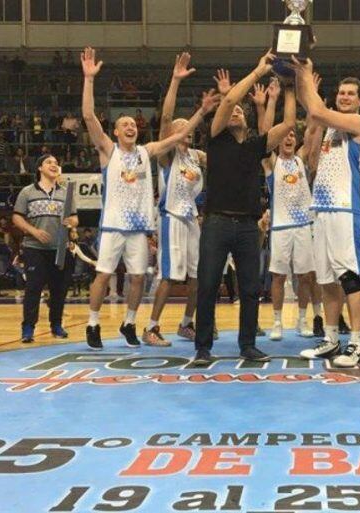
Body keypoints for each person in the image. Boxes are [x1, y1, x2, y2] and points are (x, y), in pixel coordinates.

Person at [80, 46, 217, 351]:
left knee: (138, 278)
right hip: (114, 225)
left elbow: (177, 135)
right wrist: (89, 79)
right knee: (103, 275)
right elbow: (88, 116)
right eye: (124, 124)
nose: (129, 126)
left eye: (132, 124)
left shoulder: (147, 151)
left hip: (140, 228)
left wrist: (201, 112)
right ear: (114, 131)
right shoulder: (108, 150)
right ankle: (92, 323)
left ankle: (129, 323)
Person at [192, 51, 296, 365]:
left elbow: (289, 122)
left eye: (241, 109)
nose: (235, 111)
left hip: (249, 226)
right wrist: (259, 70)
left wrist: (290, 87)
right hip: (217, 222)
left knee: (251, 287)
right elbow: (225, 103)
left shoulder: (256, 145)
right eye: (233, 109)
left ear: (248, 119)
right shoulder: (215, 138)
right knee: (208, 285)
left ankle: (248, 344)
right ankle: (203, 347)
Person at [294, 58, 360, 368]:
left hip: (346, 209)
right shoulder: (329, 130)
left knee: (350, 277)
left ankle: (356, 343)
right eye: (341, 92)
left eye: (351, 93)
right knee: (327, 280)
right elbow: (310, 108)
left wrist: (306, 77)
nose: (344, 96)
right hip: (323, 211)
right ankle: (331, 339)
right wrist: (302, 75)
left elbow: (315, 110)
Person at [143, 53, 211, 346]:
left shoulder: (196, 158)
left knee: (199, 276)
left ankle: (186, 323)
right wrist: (175, 81)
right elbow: (168, 117)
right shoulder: (168, 155)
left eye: (188, 128)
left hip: (192, 219)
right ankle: (152, 328)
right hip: (170, 217)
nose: (185, 131)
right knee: (169, 276)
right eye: (179, 128)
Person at [260, 78, 318, 341]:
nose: (289, 137)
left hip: (304, 226)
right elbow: (264, 134)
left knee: (305, 276)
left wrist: (307, 91)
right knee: (278, 277)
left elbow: (313, 128)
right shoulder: (272, 163)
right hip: (281, 227)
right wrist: (271, 101)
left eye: (292, 135)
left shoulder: (302, 159)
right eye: (284, 135)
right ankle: (276, 322)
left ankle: (303, 320)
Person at [12, 155, 79, 343]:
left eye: (56, 163)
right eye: (49, 162)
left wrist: (72, 222)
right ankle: (28, 328)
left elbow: (75, 218)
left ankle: (56, 324)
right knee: (33, 289)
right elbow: (17, 218)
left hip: (60, 249)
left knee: (59, 289)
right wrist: (33, 231)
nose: (54, 165)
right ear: (39, 168)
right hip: (34, 248)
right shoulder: (27, 192)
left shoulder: (66, 193)